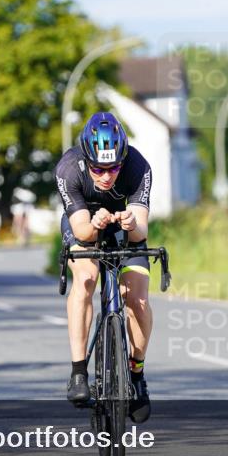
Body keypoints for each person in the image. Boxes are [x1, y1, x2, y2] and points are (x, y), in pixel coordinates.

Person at [54, 112, 153, 422]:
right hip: (84, 224)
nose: (107, 176)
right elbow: (82, 231)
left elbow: (141, 231)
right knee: (85, 278)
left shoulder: (138, 166)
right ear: (86, 160)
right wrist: (95, 224)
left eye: (113, 168)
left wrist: (131, 223)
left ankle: (136, 374)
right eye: (98, 169)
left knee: (137, 297)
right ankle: (78, 372)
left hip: (125, 229)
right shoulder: (69, 169)